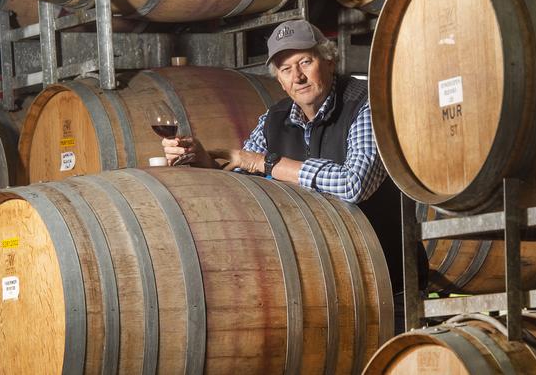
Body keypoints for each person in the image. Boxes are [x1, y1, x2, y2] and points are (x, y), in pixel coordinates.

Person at [162, 19, 428, 333]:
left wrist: (267, 163)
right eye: (285, 69)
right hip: (318, 290)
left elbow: (353, 184)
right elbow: (248, 189)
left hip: (387, 282)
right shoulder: (274, 119)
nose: (297, 77)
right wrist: (203, 161)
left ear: (329, 60)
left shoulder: (366, 103)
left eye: (305, 62)